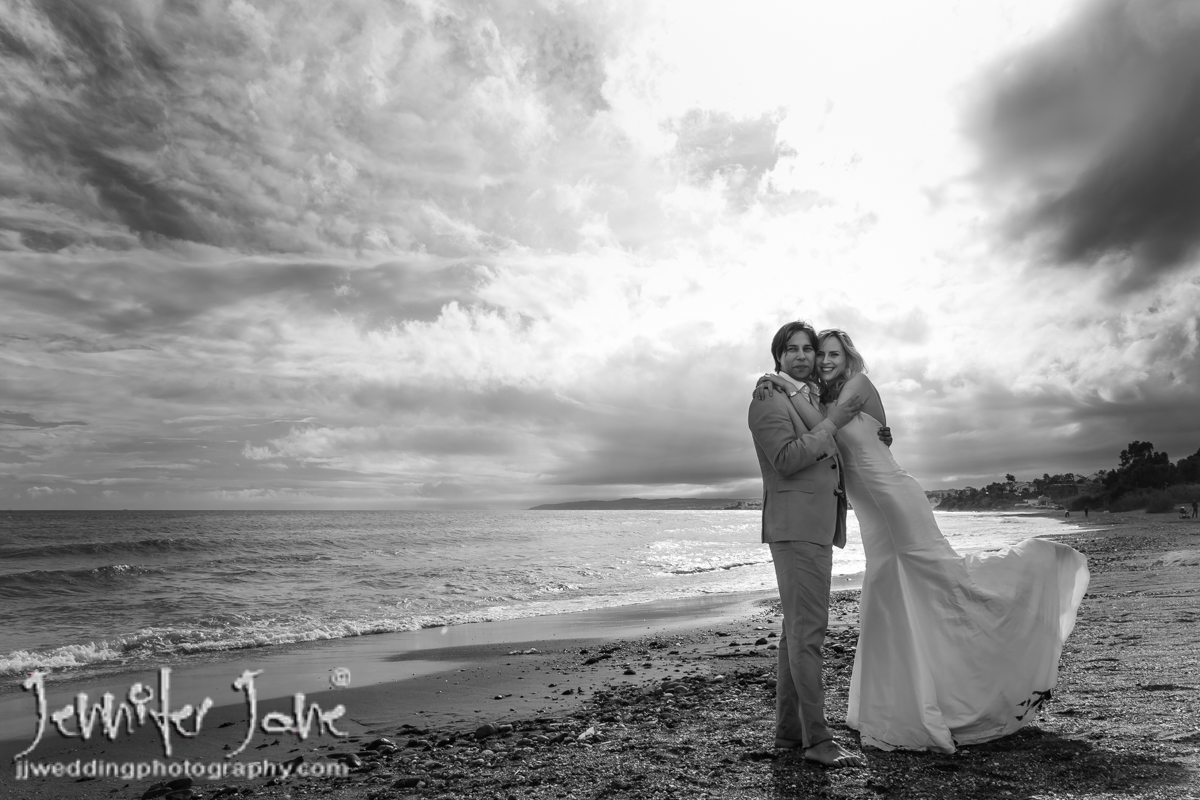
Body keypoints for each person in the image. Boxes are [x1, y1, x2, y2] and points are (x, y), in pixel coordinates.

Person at [756, 328, 1089, 753]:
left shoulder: (856, 385)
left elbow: (837, 425)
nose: (822, 360)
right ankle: (902, 700)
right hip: (871, 513)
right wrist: (778, 384)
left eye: (830, 354)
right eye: (816, 353)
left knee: (942, 582)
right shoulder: (813, 398)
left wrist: (783, 384)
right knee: (895, 595)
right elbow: (819, 427)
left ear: (849, 357)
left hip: (894, 499)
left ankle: (1033, 577)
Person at [746, 321, 890, 768]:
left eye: (808, 349)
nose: (803, 356)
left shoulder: (805, 397)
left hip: (815, 525)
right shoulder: (767, 397)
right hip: (796, 527)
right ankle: (818, 741)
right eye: (792, 349)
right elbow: (786, 459)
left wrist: (875, 434)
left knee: (796, 632)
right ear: (778, 355)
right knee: (808, 634)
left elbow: (837, 442)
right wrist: (831, 426)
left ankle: (791, 732)